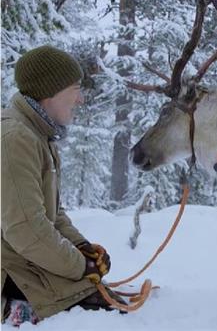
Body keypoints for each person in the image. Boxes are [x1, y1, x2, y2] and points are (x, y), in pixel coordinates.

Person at [1, 45, 126, 325]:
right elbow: (25, 228)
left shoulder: (38, 135)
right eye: (75, 88)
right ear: (50, 92)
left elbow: (52, 215)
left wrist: (82, 248)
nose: (80, 99)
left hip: (24, 262)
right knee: (104, 315)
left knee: (106, 300)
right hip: (10, 271)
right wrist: (80, 266)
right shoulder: (15, 138)